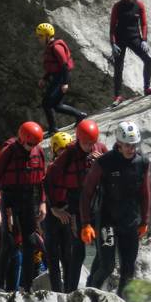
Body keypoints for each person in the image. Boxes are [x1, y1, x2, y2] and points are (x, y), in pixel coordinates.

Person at [79, 120, 150, 298]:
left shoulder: (142, 162)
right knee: (107, 265)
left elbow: (145, 193)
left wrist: (145, 221)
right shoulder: (104, 162)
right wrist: (86, 223)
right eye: (127, 145)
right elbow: (86, 192)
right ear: (118, 143)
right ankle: (89, 294)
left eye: (134, 145)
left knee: (128, 269)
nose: (131, 149)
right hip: (107, 220)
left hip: (130, 221)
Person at [46, 118, 108, 292]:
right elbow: (48, 179)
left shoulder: (101, 149)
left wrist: (103, 163)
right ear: (79, 139)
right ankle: (70, 292)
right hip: (76, 206)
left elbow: (114, 175)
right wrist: (54, 207)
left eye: (92, 142)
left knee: (103, 249)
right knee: (78, 252)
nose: (90, 146)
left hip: (97, 204)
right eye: (86, 143)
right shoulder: (68, 154)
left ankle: (92, 284)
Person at [0, 121, 47, 293]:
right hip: (9, 200)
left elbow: (41, 180)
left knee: (30, 243)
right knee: (8, 244)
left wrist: (43, 202)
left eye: (35, 144)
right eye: (30, 144)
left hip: (28, 199)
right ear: (22, 139)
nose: (32, 147)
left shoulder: (38, 151)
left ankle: (26, 287)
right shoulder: (8, 152)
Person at [110, 0, 151, 106]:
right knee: (118, 67)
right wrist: (113, 44)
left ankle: (147, 88)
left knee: (148, 58)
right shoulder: (117, 7)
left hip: (134, 38)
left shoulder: (139, 5)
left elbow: (144, 24)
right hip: (120, 39)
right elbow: (112, 27)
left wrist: (144, 40)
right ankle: (118, 96)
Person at [36, 23, 87, 134]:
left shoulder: (56, 47)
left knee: (46, 103)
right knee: (57, 105)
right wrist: (44, 78)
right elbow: (52, 67)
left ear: (47, 36)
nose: (39, 39)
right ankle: (79, 115)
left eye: (40, 36)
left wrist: (65, 83)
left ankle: (53, 129)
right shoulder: (50, 47)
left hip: (61, 78)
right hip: (57, 77)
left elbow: (64, 66)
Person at [43, 131, 74, 292]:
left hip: (67, 213)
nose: (64, 153)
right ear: (55, 150)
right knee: (53, 256)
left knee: (68, 255)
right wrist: (55, 210)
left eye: (66, 150)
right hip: (51, 215)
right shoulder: (50, 169)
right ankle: (56, 291)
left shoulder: (74, 168)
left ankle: (69, 290)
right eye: (61, 150)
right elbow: (45, 193)